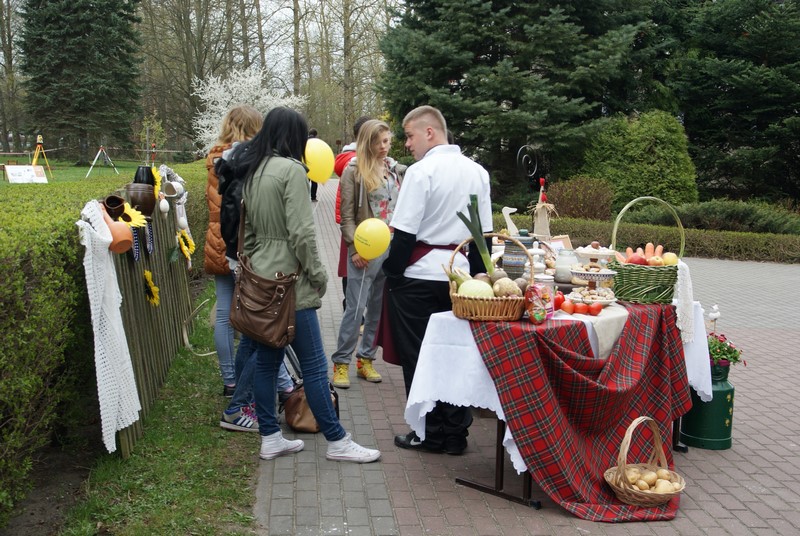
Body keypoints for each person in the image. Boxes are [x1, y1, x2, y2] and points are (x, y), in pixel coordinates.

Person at [237, 106, 380, 462]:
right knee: (314, 365)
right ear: (296, 137)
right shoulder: (292, 171)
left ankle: (270, 436)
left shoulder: (254, 170)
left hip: (262, 279)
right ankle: (337, 440)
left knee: (268, 361)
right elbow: (302, 233)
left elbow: (247, 233)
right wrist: (317, 275)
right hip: (291, 284)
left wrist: (256, 267)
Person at [383, 105, 492, 455]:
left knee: (419, 357)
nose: (407, 144)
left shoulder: (420, 172)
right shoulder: (478, 172)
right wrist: (481, 278)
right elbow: (482, 236)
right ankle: (456, 434)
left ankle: (429, 432)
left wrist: (391, 273)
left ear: (430, 132)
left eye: (409, 136)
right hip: (460, 279)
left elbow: (404, 235)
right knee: (455, 355)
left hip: (418, 277)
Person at [215, 125, 296, 433]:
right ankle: (238, 407)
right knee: (263, 336)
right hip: (252, 263)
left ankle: (244, 401)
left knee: (252, 336)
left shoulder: (234, 166)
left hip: (242, 259)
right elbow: (242, 221)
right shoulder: (248, 171)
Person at [331, 120, 405, 388]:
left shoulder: (394, 169)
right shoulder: (354, 170)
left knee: (377, 307)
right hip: (365, 249)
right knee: (356, 308)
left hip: (391, 246)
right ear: (366, 142)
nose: (384, 147)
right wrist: (355, 248)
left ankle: (366, 360)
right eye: (378, 142)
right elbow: (347, 216)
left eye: (387, 141)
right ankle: (341, 363)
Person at [204, 105, 262, 398]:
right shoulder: (251, 159)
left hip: (216, 239)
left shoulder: (213, 157)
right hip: (242, 243)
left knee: (224, 312)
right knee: (255, 313)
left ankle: (229, 380)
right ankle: (258, 376)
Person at [334, 116, 371, 311]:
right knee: (352, 268)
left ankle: (352, 307)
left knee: (350, 270)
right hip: (355, 224)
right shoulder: (355, 164)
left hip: (360, 225)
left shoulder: (350, 159)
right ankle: (353, 309)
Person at [308, 128, 319, 202]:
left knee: (305, 182)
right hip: (314, 164)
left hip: (305, 164)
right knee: (314, 182)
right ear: (315, 134)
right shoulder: (317, 142)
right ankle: (313, 197)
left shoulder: (304, 140)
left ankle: (304, 197)